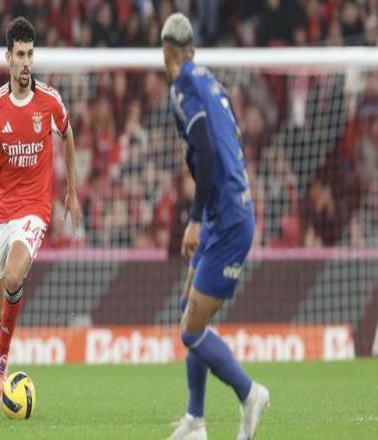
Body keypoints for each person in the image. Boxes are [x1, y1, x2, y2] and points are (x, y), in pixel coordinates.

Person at [0, 16, 81, 418]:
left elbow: (68, 136)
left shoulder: (50, 100)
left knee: (13, 276)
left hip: (35, 210)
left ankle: (1, 366)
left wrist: (71, 190)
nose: (25, 62)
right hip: (2, 212)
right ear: (8, 58)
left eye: (30, 54)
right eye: (19, 55)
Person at [161, 13, 269, 440]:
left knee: (191, 330)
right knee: (186, 308)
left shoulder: (183, 88)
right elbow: (232, 138)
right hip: (223, 212)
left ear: (166, 52)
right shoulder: (212, 82)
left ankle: (249, 393)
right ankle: (195, 421)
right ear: (191, 49)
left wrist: (194, 221)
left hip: (227, 220)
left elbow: (205, 152)